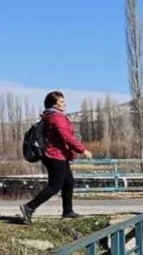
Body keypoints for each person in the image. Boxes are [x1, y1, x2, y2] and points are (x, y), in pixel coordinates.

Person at [20, 91, 92, 224]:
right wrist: (83, 150)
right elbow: (67, 137)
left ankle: (68, 211)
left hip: (59, 155)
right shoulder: (56, 117)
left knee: (68, 182)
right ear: (54, 104)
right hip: (54, 156)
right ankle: (29, 207)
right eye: (61, 102)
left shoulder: (51, 115)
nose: (65, 104)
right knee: (55, 185)